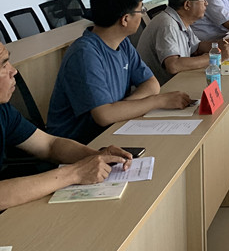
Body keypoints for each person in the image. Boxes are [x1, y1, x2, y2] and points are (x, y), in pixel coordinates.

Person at [47, 0, 192, 144]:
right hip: (80, 144)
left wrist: (120, 108)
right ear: (125, 19)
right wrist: (158, 101)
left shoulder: (122, 43)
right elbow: (104, 115)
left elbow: (151, 84)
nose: (143, 14)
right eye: (141, 10)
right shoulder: (85, 54)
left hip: (112, 129)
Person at [0, 41, 133, 210]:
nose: (14, 71)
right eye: (3, 65)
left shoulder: (3, 110)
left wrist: (96, 156)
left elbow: (50, 145)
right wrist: (75, 173)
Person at [137, 0, 229, 85]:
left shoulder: (180, 20)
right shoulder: (167, 24)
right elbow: (173, 65)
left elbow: (197, 47)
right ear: (187, 5)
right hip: (163, 89)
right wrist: (217, 57)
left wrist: (220, 45)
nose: (207, 3)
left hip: (178, 82)